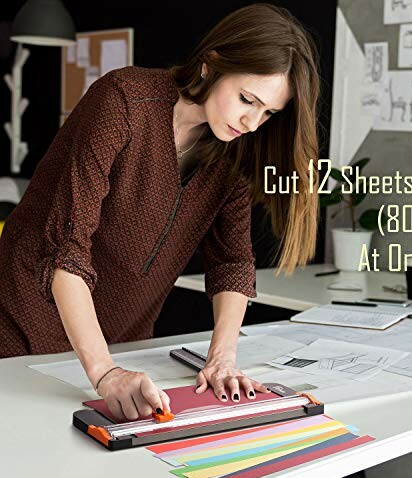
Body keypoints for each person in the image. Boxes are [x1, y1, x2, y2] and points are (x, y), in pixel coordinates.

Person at [0, 3, 320, 421]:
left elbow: (233, 262)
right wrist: (104, 372)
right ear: (211, 65)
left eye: (268, 112)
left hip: (124, 344)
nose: (253, 121)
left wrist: (222, 358)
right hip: (23, 328)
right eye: (247, 99)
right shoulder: (124, 102)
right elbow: (67, 251)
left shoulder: (234, 153)